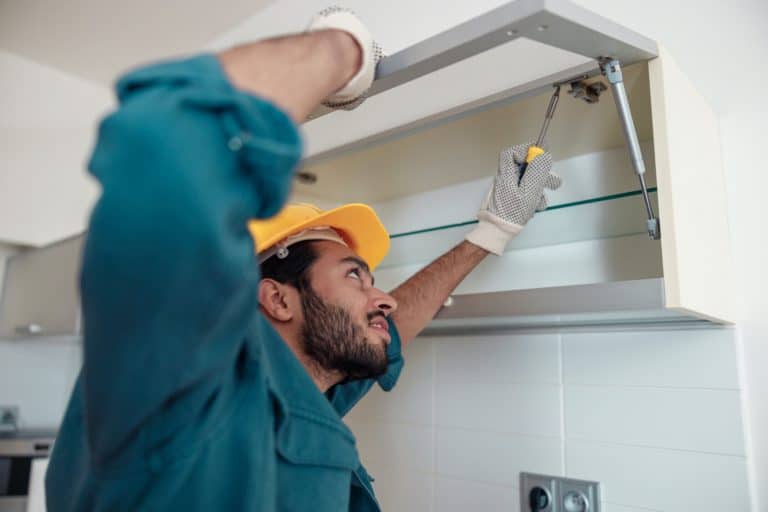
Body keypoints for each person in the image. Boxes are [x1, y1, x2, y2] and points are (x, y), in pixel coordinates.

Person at [45, 8, 560, 511]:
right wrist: (344, 48)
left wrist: (492, 232)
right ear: (276, 297)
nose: (381, 296)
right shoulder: (182, 391)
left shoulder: (305, 388)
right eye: (355, 275)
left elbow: (387, 321)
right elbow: (169, 136)